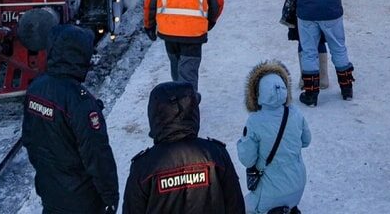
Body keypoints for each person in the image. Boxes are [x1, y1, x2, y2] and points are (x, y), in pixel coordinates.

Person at [22, 25, 119, 214]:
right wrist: (110, 198)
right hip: (81, 200)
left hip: (50, 191)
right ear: (78, 55)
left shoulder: (35, 89)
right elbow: (97, 156)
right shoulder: (80, 102)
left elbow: (29, 140)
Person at [123, 82, 245, 213]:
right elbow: (235, 206)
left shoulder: (143, 166)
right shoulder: (215, 154)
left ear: (154, 115)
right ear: (193, 112)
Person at [237, 61, 311, 214]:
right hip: (298, 186)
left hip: (270, 194)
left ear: (257, 93)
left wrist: (241, 143)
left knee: (240, 207)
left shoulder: (255, 121)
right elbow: (306, 141)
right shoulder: (295, 113)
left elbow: (247, 159)